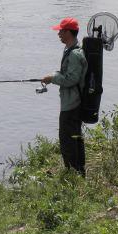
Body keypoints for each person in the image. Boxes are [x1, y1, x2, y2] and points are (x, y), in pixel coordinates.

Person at [42, 17, 88, 176]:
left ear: (69, 32)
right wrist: (54, 75)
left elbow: (71, 79)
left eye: (61, 31)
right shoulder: (71, 49)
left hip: (72, 104)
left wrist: (52, 78)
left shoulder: (75, 54)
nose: (58, 34)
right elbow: (68, 74)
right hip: (73, 103)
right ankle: (79, 172)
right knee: (75, 138)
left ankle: (73, 175)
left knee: (68, 140)